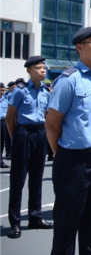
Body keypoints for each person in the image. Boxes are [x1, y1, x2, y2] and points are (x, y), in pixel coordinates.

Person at [45, 27, 91, 255]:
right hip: (74, 160)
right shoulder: (69, 79)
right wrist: (60, 154)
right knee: (66, 222)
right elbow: (52, 124)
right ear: (80, 48)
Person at [6, 56, 53, 239]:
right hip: (23, 133)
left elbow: (47, 114)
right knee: (18, 181)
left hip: (40, 134)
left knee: (36, 179)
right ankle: (15, 222)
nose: (42, 70)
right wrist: (15, 138)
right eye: (38, 67)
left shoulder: (46, 92)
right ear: (28, 71)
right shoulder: (20, 91)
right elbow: (10, 117)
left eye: (44, 67)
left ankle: (35, 217)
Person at [0, 82, 10, 168]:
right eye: (1, 90)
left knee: (1, 142)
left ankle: (0, 161)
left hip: (3, 122)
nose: (2, 92)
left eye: (3, 90)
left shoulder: (5, 100)